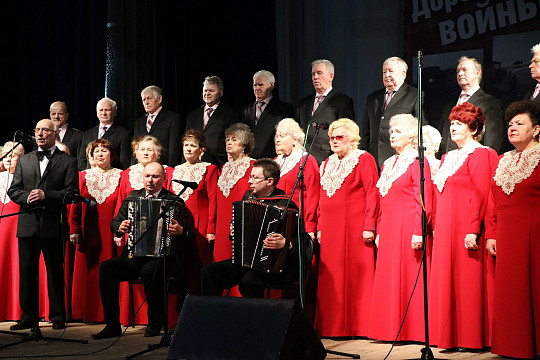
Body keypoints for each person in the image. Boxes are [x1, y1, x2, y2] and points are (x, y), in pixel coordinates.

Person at [429, 103, 498, 350]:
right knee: (447, 281)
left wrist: (472, 229)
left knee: (466, 281)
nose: (453, 127)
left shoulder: (482, 154)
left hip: (464, 227)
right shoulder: (448, 157)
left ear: (473, 127)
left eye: (460, 123)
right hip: (446, 228)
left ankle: (469, 337)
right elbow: (440, 194)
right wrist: (436, 225)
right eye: (452, 123)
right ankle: (449, 336)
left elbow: (481, 194)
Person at [92, 162, 186, 339]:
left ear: (164, 178)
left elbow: (188, 234)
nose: (150, 180)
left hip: (161, 258)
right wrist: (120, 226)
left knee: (150, 270)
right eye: (147, 176)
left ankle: (154, 322)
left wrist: (181, 231)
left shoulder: (174, 201)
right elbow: (114, 223)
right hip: (134, 255)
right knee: (107, 267)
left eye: (155, 176)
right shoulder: (132, 198)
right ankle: (112, 325)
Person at [8, 119, 79, 330]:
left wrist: (46, 195)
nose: (40, 133)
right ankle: (28, 317)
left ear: (55, 133)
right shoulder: (24, 160)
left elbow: (72, 193)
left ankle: (57, 316)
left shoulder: (67, 161)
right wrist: (26, 197)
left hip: (53, 224)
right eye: (37, 129)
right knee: (26, 272)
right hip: (28, 223)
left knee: (55, 271)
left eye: (45, 130)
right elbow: (14, 190)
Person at [368, 114, 433, 342]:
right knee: (389, 278)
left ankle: (412, 331)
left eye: (397, 132)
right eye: (391, 131)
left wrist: (419, 230)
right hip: (389, 227)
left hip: (407, 226)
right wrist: (378, 228)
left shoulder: (417, 161)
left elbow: (423, 200)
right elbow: (381, 200)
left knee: (408, 276)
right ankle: (389, 330)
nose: (392, 135)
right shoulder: (388, 163)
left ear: (411, 136)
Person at [201, 158, 304, 298]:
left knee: (248, 282)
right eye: (250, 177)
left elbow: (303, 239)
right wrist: (235, 230)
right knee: (209, 272)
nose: (250, 181)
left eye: (255, 178)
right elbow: (241, 233)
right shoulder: (248, 197)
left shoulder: (286, 205)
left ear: (270, 181)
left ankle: (253, 319)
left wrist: (286, 244)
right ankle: (213, 317)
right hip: (245, 262)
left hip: (271, 266)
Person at [486, 100, 540, 359]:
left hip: (535, 235)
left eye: (520, 123)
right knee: (511, 292)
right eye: (510, 124)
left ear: (537, 129)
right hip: (507, 237)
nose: (512, 128)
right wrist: (492, 233)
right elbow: (492, 202)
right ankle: (513, 346)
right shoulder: (502, 160)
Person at [315, 118, 379, 337]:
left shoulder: (363, 159)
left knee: (356, 277)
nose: (334, 141)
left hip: (355, 228)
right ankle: (332, 327)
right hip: (331, 230)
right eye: (332, 137)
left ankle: (358, 327)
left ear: (353, 138)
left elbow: (372, 193)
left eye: (339, 137)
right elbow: (321, 198)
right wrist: (320, 226)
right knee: (332, 276)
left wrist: (369, 225)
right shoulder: (326, 163)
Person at [68, 139, 122, 322]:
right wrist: (74, 229)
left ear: (111, 155)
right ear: (90, 156)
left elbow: (122, 205)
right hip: (89, 231)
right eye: (96, 151)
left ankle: (111, 315)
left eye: (104, 150)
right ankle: (86, 313)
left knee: (110, 271)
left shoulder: (121, 175)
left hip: (111, 233)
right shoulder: (83, 176)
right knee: (89, 272)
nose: (100, 153)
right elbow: (75, 204)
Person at [169, 129, 218, 295]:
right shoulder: (174, 171)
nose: (188, 148)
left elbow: (213, 201)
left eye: (193, 145)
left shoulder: (209, 169)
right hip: (178, 224)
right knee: (180, 266)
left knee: (198, 265)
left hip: (200, 225)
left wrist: (211, 230)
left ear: (202, 149)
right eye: (186, 145)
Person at [360, 56, 424, 168]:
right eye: (384, 72)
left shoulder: (415, 95)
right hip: (373, 161)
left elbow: (421, 129)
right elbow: (366, 131)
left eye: (391, 71)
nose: (387, 75)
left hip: (401, 160)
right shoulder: (373, 98)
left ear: (403, 74)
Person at [439, 56, 507, 155]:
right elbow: (443, 137)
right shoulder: (449, 105)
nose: (460, 74)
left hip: (474, 162)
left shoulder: (490, 102)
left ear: (477, 72)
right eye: (458, 71)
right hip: (448, 163)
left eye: (464, 70)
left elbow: (493, 141)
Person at [298, 59, 355, 164]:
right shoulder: (304, 102)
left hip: (327, 157)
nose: (315, 77)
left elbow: (347, 132)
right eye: (313, 74)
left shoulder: (342, 101)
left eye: (319, 73)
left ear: (331, 76)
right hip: (303, 158)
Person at [214, 123, 255, 263]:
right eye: (227, 139)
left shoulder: (252, 165)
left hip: (240, 221)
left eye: (234, 139)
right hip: (221, 223)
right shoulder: (224, 167)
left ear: (244, 144)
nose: (229, 143)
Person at [273, 118, 319, 238]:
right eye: (276, 136)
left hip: (299, 224)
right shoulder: (275, 162)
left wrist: (310, 227)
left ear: (295, 139)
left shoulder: (307, 160)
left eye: (282, 136)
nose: (277, 139)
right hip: (276, 222)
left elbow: (313, 196)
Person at [186, 76, 240, 167]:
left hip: (219, 163)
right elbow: (187, 139)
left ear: (220, 93)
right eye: (205, 90)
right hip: (194, 163)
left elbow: (233, 140)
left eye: (211, 91)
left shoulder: (231, 113)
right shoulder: (193, 115)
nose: (207, 93)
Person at [241, 70, 295, 159]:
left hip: (271, 159)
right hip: (249, 159)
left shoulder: (284, 108)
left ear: (271, 85)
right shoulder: (246, 110)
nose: (257, 88)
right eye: (255, 85)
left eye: (261, 85)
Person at [0, 142, 25, 321]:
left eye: (13, 155)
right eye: (6, 155)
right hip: (1, 230)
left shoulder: (25, 177)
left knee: (17, 267)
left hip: (18, 227)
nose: (9, 158)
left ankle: (17, 311)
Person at [133, 85, 183, 167]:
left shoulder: (172, 118)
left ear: (159, 99)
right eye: (144, 100)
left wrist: (171, 170)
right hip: (141, 169)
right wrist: (134, 167)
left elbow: (174, 149)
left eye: (149, 98)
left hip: (163, 168)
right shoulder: (139, 122)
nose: (146, 102)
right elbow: (136, 148)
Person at [78, 97, 131, 170]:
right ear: (96, 112)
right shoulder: (87, 134)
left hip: (112, 177)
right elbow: (82, 161)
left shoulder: (124, 134)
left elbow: (125, 163)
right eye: (101, 110)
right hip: (90, 178)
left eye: (107, 110)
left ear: (114, 112)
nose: (103, 113)